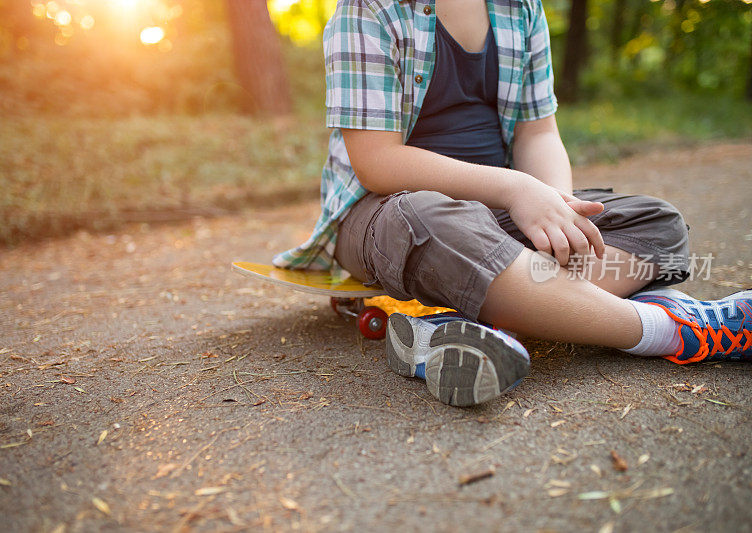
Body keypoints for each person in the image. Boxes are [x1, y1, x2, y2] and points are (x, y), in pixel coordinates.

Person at [274, 0, 752, 407]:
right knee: (425, 219)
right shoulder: (369, 8)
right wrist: (515, 189)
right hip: (386, 214)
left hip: (498, 222)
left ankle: (452, 330)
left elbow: (539, 133)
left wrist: (558, 211)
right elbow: (377, 162)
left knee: (658, 225)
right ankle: (668, 329)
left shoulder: (520, 7)